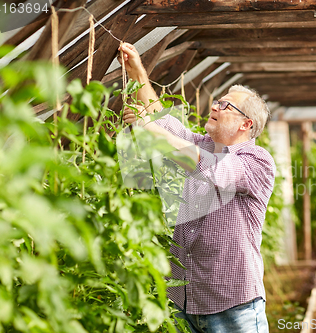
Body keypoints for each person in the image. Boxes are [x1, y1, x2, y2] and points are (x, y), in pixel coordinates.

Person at [119, 43, 274, 333]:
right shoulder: (201, 143)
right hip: (186, 301)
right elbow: (161, 120)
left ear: (246, 123)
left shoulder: (257, 161)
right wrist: (137, 72)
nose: (215, 106)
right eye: (217, 101)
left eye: (226, 105)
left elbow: (209, 166)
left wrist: (148, 129)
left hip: (234, 305)